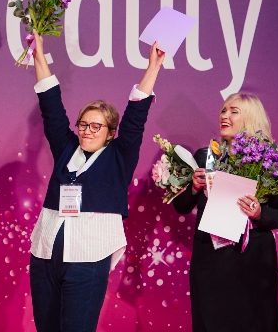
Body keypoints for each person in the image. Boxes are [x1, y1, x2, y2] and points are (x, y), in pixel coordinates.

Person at [28, 30, 164, 332]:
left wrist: (152, 68)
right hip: (45, 255)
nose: (87, 131)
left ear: (110, 132)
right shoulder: (66, 148)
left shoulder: (119, 156)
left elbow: (135, 117)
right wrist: (39, 55)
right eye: (84, 124)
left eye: (96, 126)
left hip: (88, 258)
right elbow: (51, 107)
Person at [172, 93, 278, 332]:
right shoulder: (205, 157)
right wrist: (194, 188)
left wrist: (259, 214)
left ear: (250, 119)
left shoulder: (268, 161)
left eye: (233, 112)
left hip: (252, 259)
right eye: (223, 110)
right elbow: (181, 206)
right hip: (211, 259)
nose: (224, 116)